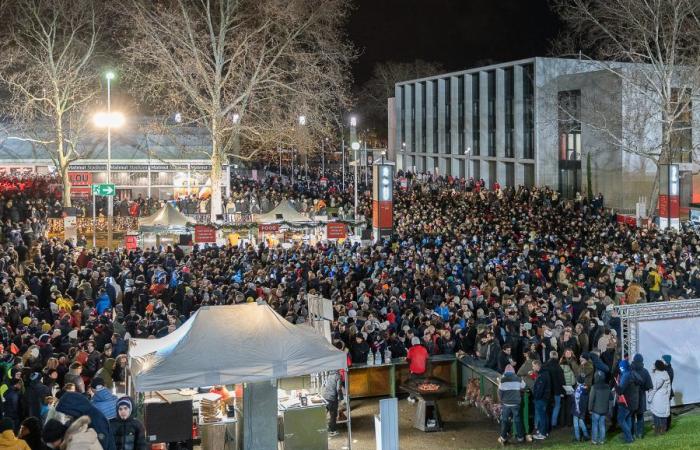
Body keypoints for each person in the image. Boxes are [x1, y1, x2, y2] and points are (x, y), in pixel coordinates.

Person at [497, 364, 527, 445]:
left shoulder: (502, 380)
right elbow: (524, 386)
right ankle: (520, 437)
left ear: (505, 372)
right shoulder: (518, 378)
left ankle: (503, 437)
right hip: (516, 403)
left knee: (505, 420)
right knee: (517, 420)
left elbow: (499, 392)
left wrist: (501, 400)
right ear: (513, 371)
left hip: (506, 404)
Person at [615, 360, 641, 444]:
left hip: (626, 402)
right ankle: (628, 437)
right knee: (628, 418)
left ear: (622, 367)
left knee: (621, 420)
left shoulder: (626, 375)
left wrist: (616, 386)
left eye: (620, 367)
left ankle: (629, 438)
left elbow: (620, 391)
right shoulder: (633, 374)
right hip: (633, 402)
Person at [630, 354, 653, 439]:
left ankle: (631, 433)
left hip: (631, 396)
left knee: (631, 416)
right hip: (641, 396)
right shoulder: (645, 371)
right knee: (640, 416)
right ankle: (640, 434)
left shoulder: (630, 370)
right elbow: (649, 386)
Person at [647, 360, 671, 435]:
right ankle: (663, 430)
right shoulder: (665, 374)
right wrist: (667, 395)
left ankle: (657, 431)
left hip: (657, 397)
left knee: (656, 414)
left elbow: (654, 388)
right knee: (663, 414)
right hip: (664, 396)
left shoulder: (658, 376)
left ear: (656, 366)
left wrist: (649, 398)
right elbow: (669, 388)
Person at [588, 370, 611, 445]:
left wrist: (590, 408)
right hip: (604, 410)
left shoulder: (594, 387)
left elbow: (591, 399)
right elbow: (610, 398)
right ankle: (602, 440)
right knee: (602, 425)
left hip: (595, 410)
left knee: (595, 425)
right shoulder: (607, 387)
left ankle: (594, 440)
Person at [405, 336, 429, 403]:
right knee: (421, 384)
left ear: (412, 343)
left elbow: (408, 360)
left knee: (413, 385)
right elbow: (427, 358)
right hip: (423, 370)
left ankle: (411, 397)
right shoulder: (424, 349)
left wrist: (406, 359)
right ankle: (421, 397)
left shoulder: (411, 349)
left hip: (414, 370)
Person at [531, 360, 550, 440]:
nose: (532, 367)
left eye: (533, 366)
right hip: (544, 398)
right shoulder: (544, 373)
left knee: (542, 416)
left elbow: (540, 388)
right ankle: (544, 431)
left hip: (541, 399)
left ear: (537, 365)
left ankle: (542, 434)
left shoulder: (542, 375)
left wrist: (536, 397)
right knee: (544, 415)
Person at [322, 370, 342, 438]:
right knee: (333, 415)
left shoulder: (329, 375)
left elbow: (325, 385)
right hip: (332, 398)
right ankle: (332, 431)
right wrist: (341, 398)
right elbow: (338, 389)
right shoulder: (338, 376)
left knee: (323, 414)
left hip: (325, 397)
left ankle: (322, 429)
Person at [572, 374, 590, 442]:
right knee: (581, 422)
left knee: (576, 424)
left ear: (578, 381)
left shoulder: (578, 389)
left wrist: (572, 395)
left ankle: (577, 438)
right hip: (583, 409)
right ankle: (586, 436)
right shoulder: (585, 388)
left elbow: (575, 400)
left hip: (577, 409)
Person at [662, 354, 674, 430]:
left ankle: (667, 426)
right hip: (665, 392)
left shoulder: (669, 370)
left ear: (666, 361)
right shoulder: (666, 369)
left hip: (667, 392)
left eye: (663, 359)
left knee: (667, 409)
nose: (662, 361)